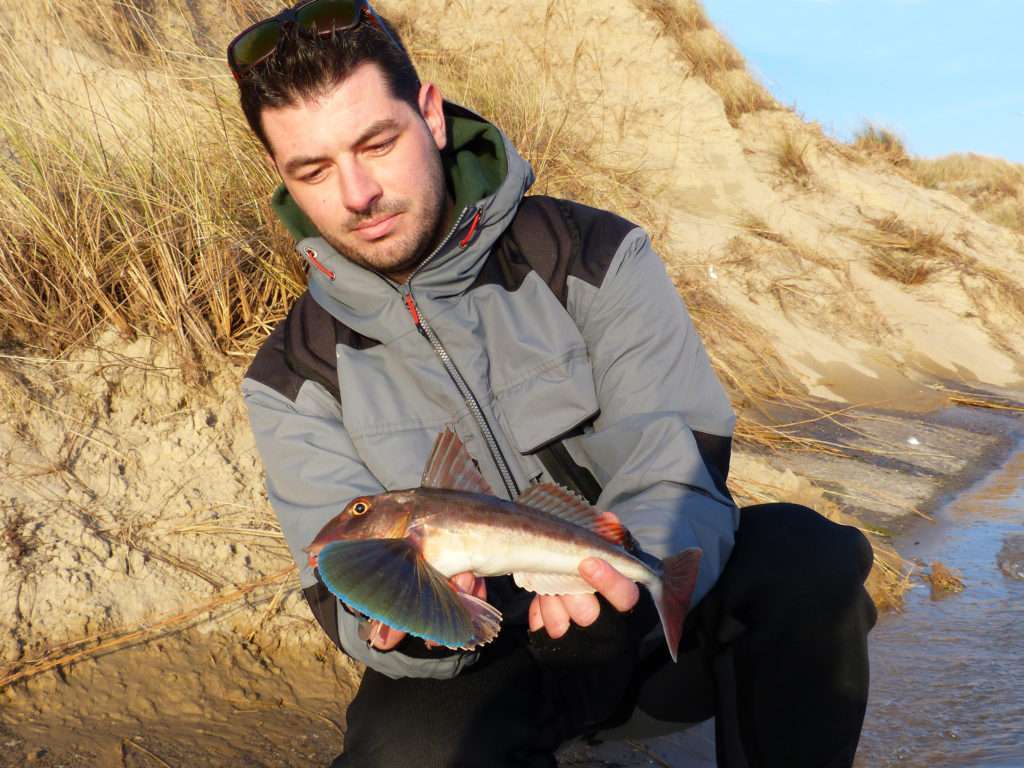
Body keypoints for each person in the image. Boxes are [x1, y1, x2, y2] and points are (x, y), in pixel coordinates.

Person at [231, 2, 878, 766]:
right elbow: (334, 589)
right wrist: (403, 625)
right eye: (313, 169)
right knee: (404, 748)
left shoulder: (592, 253)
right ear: (282, 175)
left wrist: (621, 589)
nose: (358, 194)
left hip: (644, 629)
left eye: (378, 143)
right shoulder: (288, 377)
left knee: (808, 562)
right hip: (485, 656)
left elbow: (677, 461)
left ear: (431, 116)